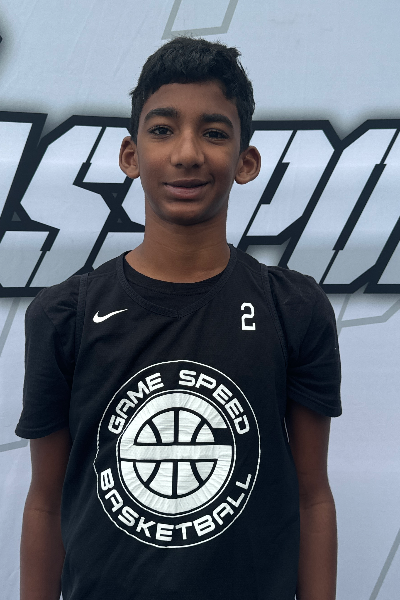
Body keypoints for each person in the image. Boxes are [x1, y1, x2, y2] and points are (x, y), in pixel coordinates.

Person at [16, 36, 341, 600]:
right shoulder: (64, 315)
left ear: (245, 162)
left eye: (214, 133)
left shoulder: (293, 308)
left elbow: (313, 497)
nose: (187, 153)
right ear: (130, 155)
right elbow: (45, 503)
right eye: (163, 129)